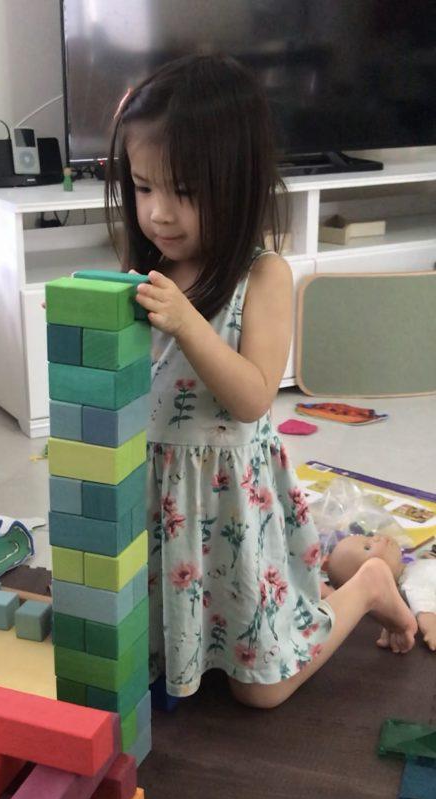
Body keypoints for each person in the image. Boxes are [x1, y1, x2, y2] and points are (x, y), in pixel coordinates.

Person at [104, 54, 417, 709]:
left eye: (184, 190)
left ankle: (363, 584)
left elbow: (250, 397)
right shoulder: (144, 269)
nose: (159, 212)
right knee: (148, 655)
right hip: (161, 495)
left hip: (229, 503)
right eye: (142, 185)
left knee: (261, 690)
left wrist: (189, 321)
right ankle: (333, 564)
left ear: (238, 182)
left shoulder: (263, 275)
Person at [327, 533, 436, 652]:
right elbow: (425, 610)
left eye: (369, 537)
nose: (376, 537)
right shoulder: (411, 584)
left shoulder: (411, 568)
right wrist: (431, 630)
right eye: (367, 547)